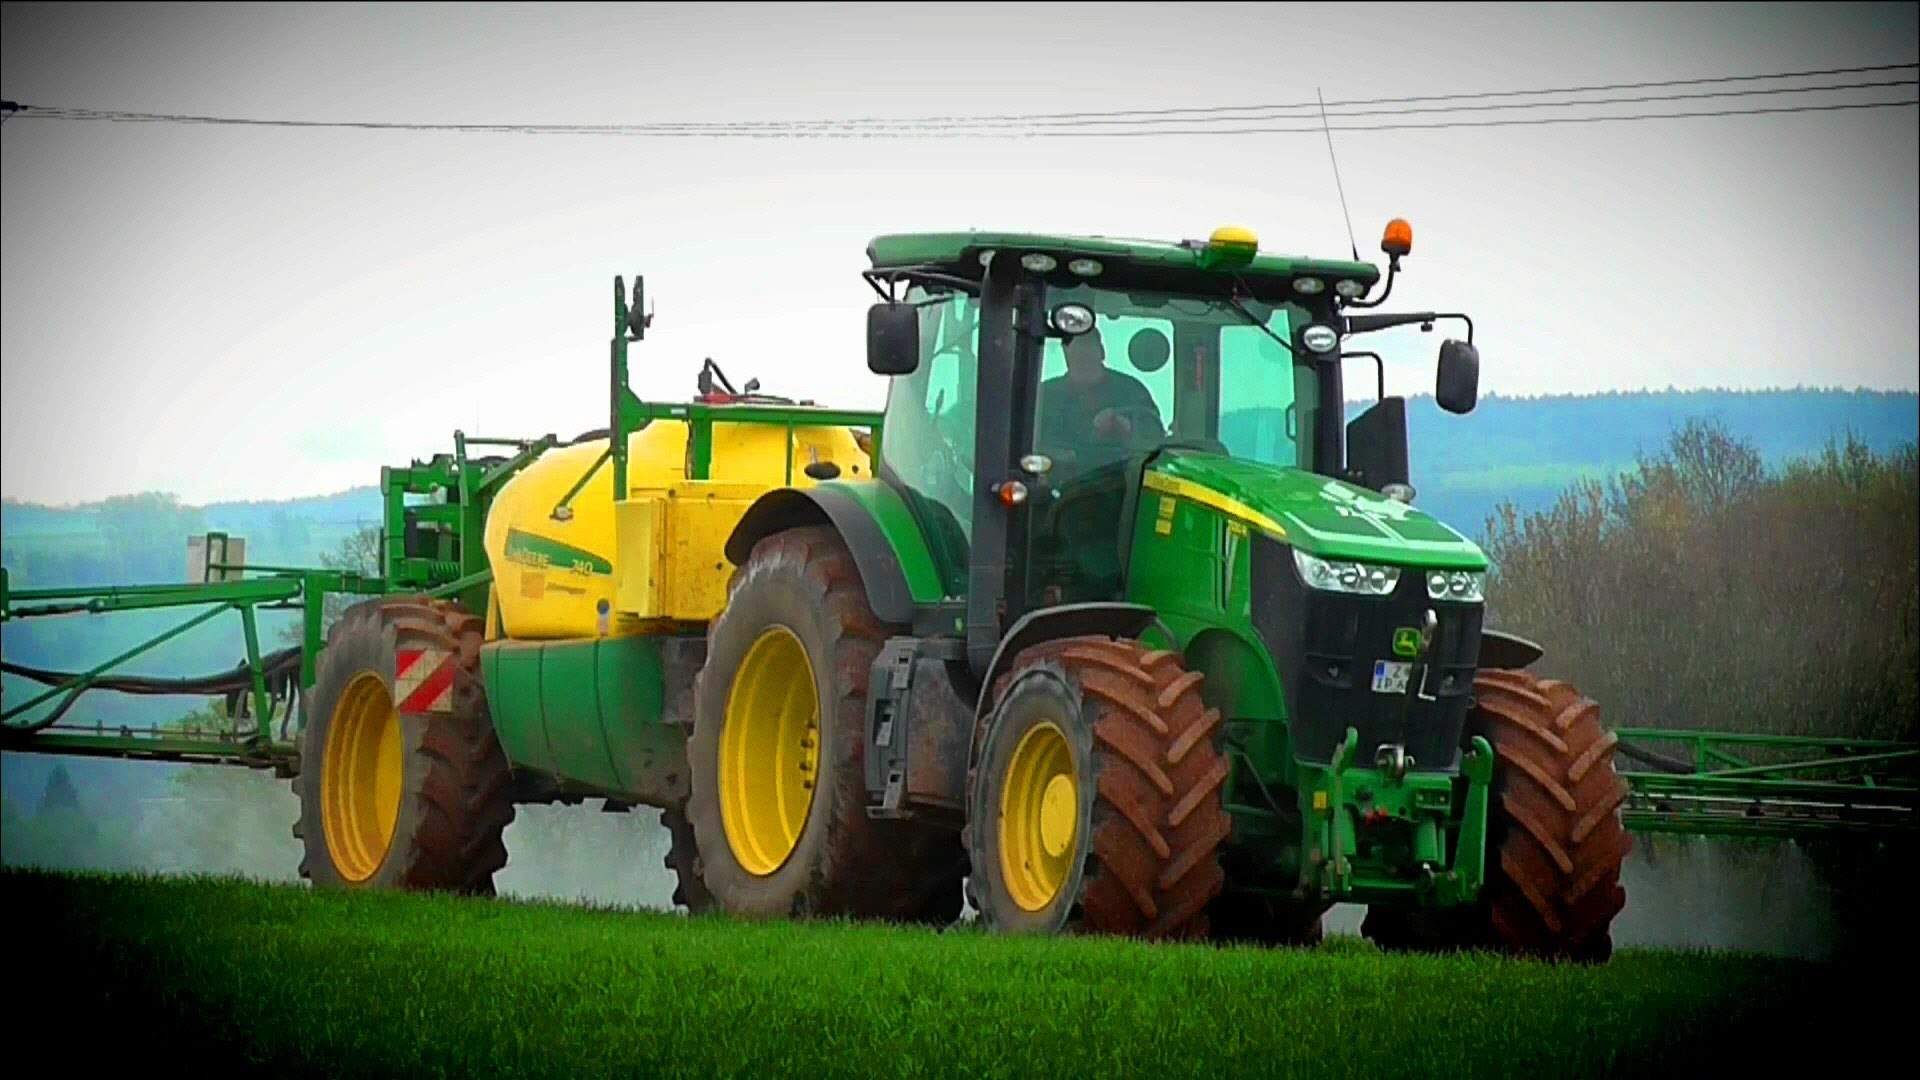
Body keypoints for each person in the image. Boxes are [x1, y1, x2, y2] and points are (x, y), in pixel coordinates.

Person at [1034, 331, 1164, 473]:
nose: (1082, 359)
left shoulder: (1132, 390)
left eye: (1088, 352)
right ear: (1065, 355)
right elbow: (1035, 444)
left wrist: (1126, 427)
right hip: (1062, 483)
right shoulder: (1045, 396)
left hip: (1125, 482)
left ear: (1101, 352)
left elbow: (1155, 439)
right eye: (1077, 354)